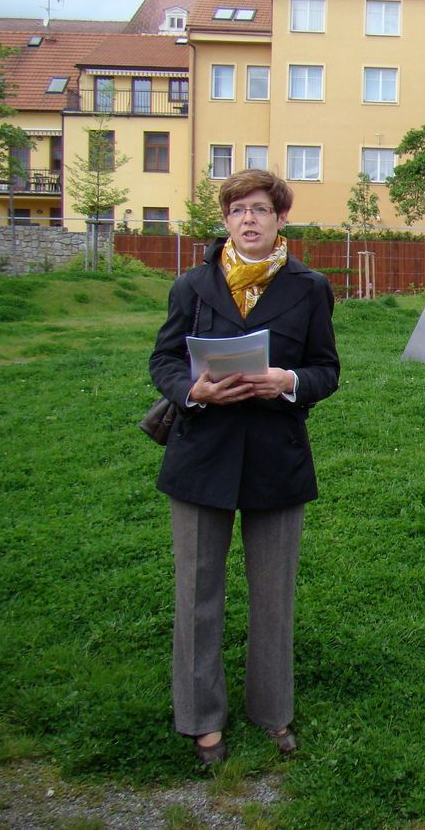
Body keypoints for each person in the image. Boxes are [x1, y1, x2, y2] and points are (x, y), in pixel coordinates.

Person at [149, 169, 340, 765]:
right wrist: (192, 392)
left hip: (274, 458)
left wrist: (289, 381)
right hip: (201, 455)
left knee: (274, 594)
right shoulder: (192, 285)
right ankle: (202, 719)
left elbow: (326, 370)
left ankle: (272, 712)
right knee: (198, 592)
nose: (248, 219)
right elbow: (163, 360)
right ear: (226, 221)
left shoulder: (309, 287)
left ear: (281, 217)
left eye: (259, 209)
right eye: (237, 211)